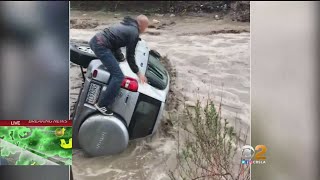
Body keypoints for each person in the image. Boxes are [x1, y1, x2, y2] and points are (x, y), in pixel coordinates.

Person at [89, 15, 149, 115]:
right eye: (146, 26)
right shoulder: (134, 33)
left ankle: (105, 92)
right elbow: (130, 56)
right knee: (119, 76)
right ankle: (102, 105)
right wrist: (139, 73)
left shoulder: (127, 26)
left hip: (96, 40)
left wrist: (121, 58)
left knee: (115, 68)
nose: (145, 29)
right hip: (101, 46)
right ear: (142, 25)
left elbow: (115, 42)